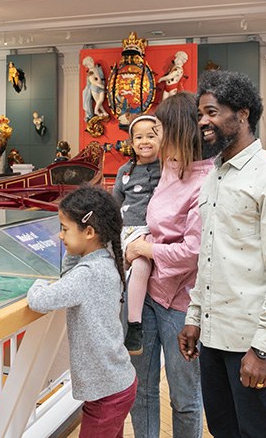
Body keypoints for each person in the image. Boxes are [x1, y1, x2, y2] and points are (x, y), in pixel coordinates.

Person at [179, 70, 266, 437]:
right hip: (214, 339)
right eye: (200, 113)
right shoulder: (215, 176)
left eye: (213, 112)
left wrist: (264, 349)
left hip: (254, 343)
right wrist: (195, 316)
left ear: (244, 114)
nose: (203, 121)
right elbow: (210, 255)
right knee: (225, 431)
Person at [124, 92, 212, 438]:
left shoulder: (206, 180)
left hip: (181, 307)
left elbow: (192, 251)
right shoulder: (168, 167)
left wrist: (145, 247)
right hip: (147, 295)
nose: (153, 138)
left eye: (159, 129)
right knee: (141, 389)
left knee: (185, 396)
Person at [27, 185, 137, 437]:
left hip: (106, 393)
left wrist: (37, 281)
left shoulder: (87, 275)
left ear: (89, 231)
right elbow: (69, 276)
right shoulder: (103, 261)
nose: (60, 236)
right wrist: (71, 251)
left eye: (65, 229)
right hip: (113, 385)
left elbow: (40, 301)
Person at [110, 114, 162, 355]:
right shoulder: (125, 170)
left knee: (141, 265)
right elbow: (116, 201)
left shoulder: (168, 166)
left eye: (151, 136)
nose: (145, 141)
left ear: (162, 138)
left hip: (151, 230)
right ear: (131, 143)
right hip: (127, 229)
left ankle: (134, 325)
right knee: (115, 273)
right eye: (139, 137)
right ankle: (113, 323)